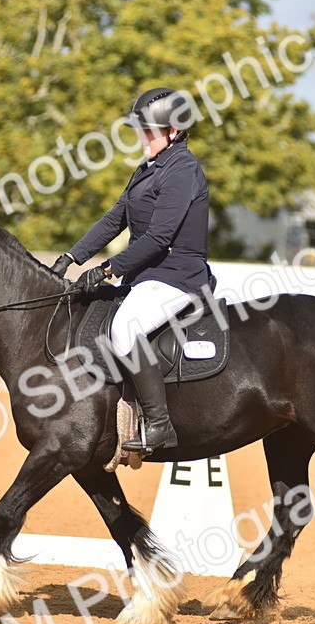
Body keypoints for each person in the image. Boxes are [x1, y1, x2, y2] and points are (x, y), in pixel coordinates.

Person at [55, 87, 211, 455]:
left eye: (149, 130)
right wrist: (73, 256)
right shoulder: (148, 170)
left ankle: (160, 426)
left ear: (174, 131)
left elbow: (159, 237)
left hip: (177, 277)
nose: (141, 136)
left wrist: (109, 268)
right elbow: (116, 218)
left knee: (125, 329)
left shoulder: (183, 170)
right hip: (146, 277)